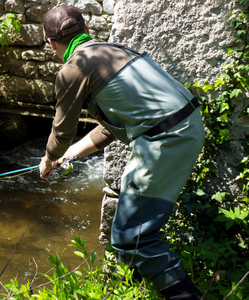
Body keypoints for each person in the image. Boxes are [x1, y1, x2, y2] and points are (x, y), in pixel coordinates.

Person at [39, 4, 205, 300]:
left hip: (164, 141)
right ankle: (128, 290)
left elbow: (61, 132)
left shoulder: (73, 68)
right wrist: (72, 154)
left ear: (51, 43)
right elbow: (113, 127)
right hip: (185, 127)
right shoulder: (113, 51)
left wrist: (50, 158)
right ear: (87, 31)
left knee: (133, 237)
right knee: (129, 228)